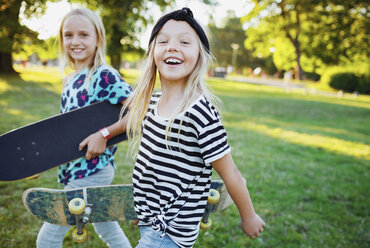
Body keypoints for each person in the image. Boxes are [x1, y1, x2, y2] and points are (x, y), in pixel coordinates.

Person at [122, 7, 265, 248]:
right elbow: (155, 168)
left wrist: (248, 215)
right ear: (153, 53)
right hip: (152, 222)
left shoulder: (198, 112)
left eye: (185, 42)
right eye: (163, 41)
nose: (172, 47)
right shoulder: (154, 102)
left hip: (170, 233)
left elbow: (231, 173)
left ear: (200, 55)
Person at [36, 8, 132, 248]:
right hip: (74, 167)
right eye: (68, 35)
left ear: (98, 38)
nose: (75, 41)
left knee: (48, 237)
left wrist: (104, 134)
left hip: (93, 168)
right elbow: (64, 130)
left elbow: (138, 113)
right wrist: (38, 161)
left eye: (83, 35)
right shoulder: (69, 79)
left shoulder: (104, 75)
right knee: (106, 226)